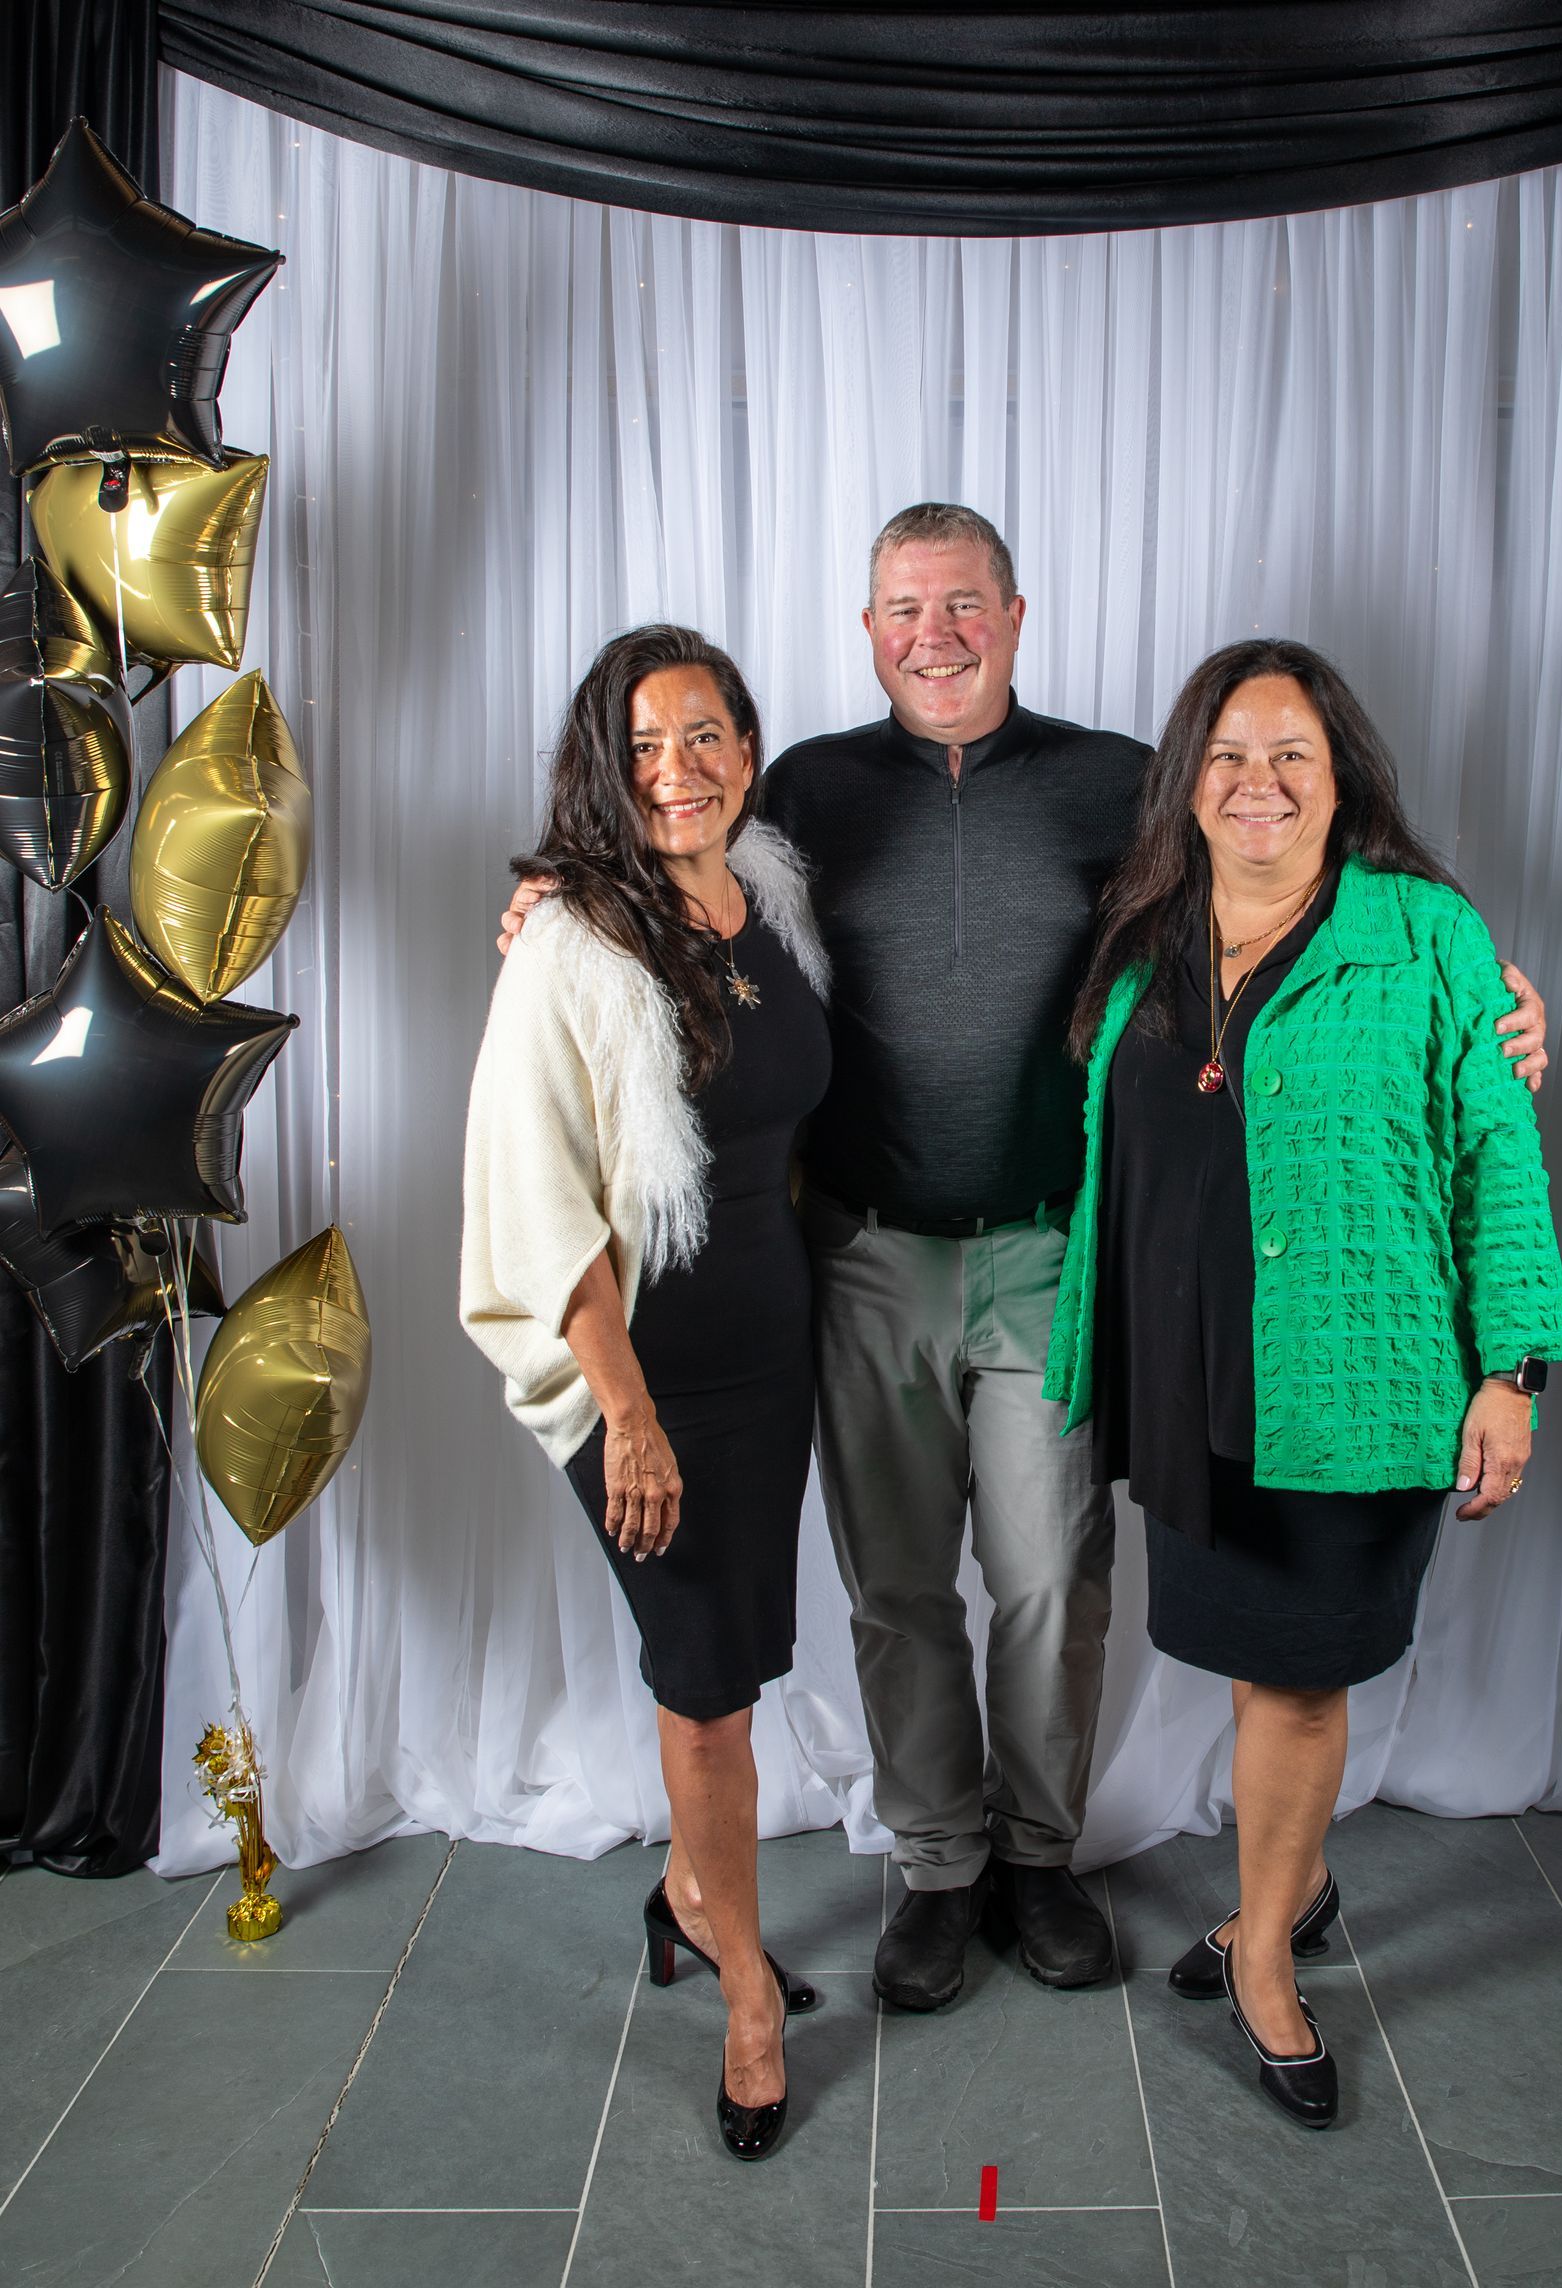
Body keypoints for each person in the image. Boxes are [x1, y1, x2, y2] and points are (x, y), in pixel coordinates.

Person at [503, 505, 1553, 2016]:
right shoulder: (799, 788)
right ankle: (937, 1864)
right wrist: (545, 901)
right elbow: (675, 897)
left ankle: (1040, 1855)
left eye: (964, 603)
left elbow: (1276, 909)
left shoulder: (1117, 783)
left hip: (1051, 1253)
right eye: (903, 608)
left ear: (1015, 612)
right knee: (898, 1586)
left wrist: (1496, 992)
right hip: (858, 1249)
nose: (936, 632)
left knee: (1053, 1577)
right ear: (868, 631)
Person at [1045, 639, 1562, 2129]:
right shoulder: (1146, 933)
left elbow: (1495, 1157)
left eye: (1292, 754)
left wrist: (1511, 1370)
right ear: (1186, 784)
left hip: (1359, 1379)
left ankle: (1266, 1950)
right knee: (1249, 1660)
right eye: (1226, 755)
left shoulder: (1424, 934)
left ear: (1343, 780)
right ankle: (1305, 1876)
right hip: (1191, 1386)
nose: (1257, 782)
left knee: (1294, 1675)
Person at [462, 625, 831, 2162]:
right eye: (643, 746)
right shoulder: (568, 947)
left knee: (733, 1665)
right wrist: (626, 1413)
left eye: (706, 737)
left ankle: (693, 1896)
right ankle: (745, 1988)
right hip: (648, 1374)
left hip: (771, 1349)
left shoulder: (774, 899)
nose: (678, 771)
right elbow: (534, 1198)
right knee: (703, 1693)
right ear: (601, 772)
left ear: (747, 746)